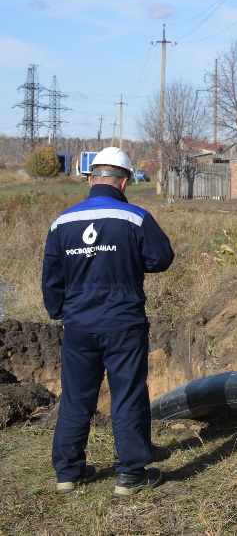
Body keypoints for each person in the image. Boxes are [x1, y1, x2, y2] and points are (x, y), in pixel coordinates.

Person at [42, 147, 174, 496]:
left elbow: (51, 280)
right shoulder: (134, 218)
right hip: (123, 324)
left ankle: (68, 473)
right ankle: (130, 475)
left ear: (90, 178)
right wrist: (127, 260)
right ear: (126, 180)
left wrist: (61, 314)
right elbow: (161, 258)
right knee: (128, 395)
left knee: (76, 398)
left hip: (79, 327)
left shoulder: (62, 223)